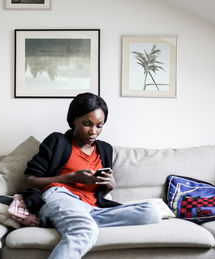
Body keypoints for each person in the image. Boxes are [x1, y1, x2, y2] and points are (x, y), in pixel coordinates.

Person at [23, 92, 161, 259]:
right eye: (87, 124)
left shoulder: (105, 149)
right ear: (74, 120)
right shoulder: (57, 141)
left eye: (99, 125)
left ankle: (67, 221)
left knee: (151, 212)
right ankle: (75, 222)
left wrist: (109, 186)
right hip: (59, 196)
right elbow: (29, 181)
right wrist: (70, 178)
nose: (93, 132)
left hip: (92, 208)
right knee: (85, 230)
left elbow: (100, 192)